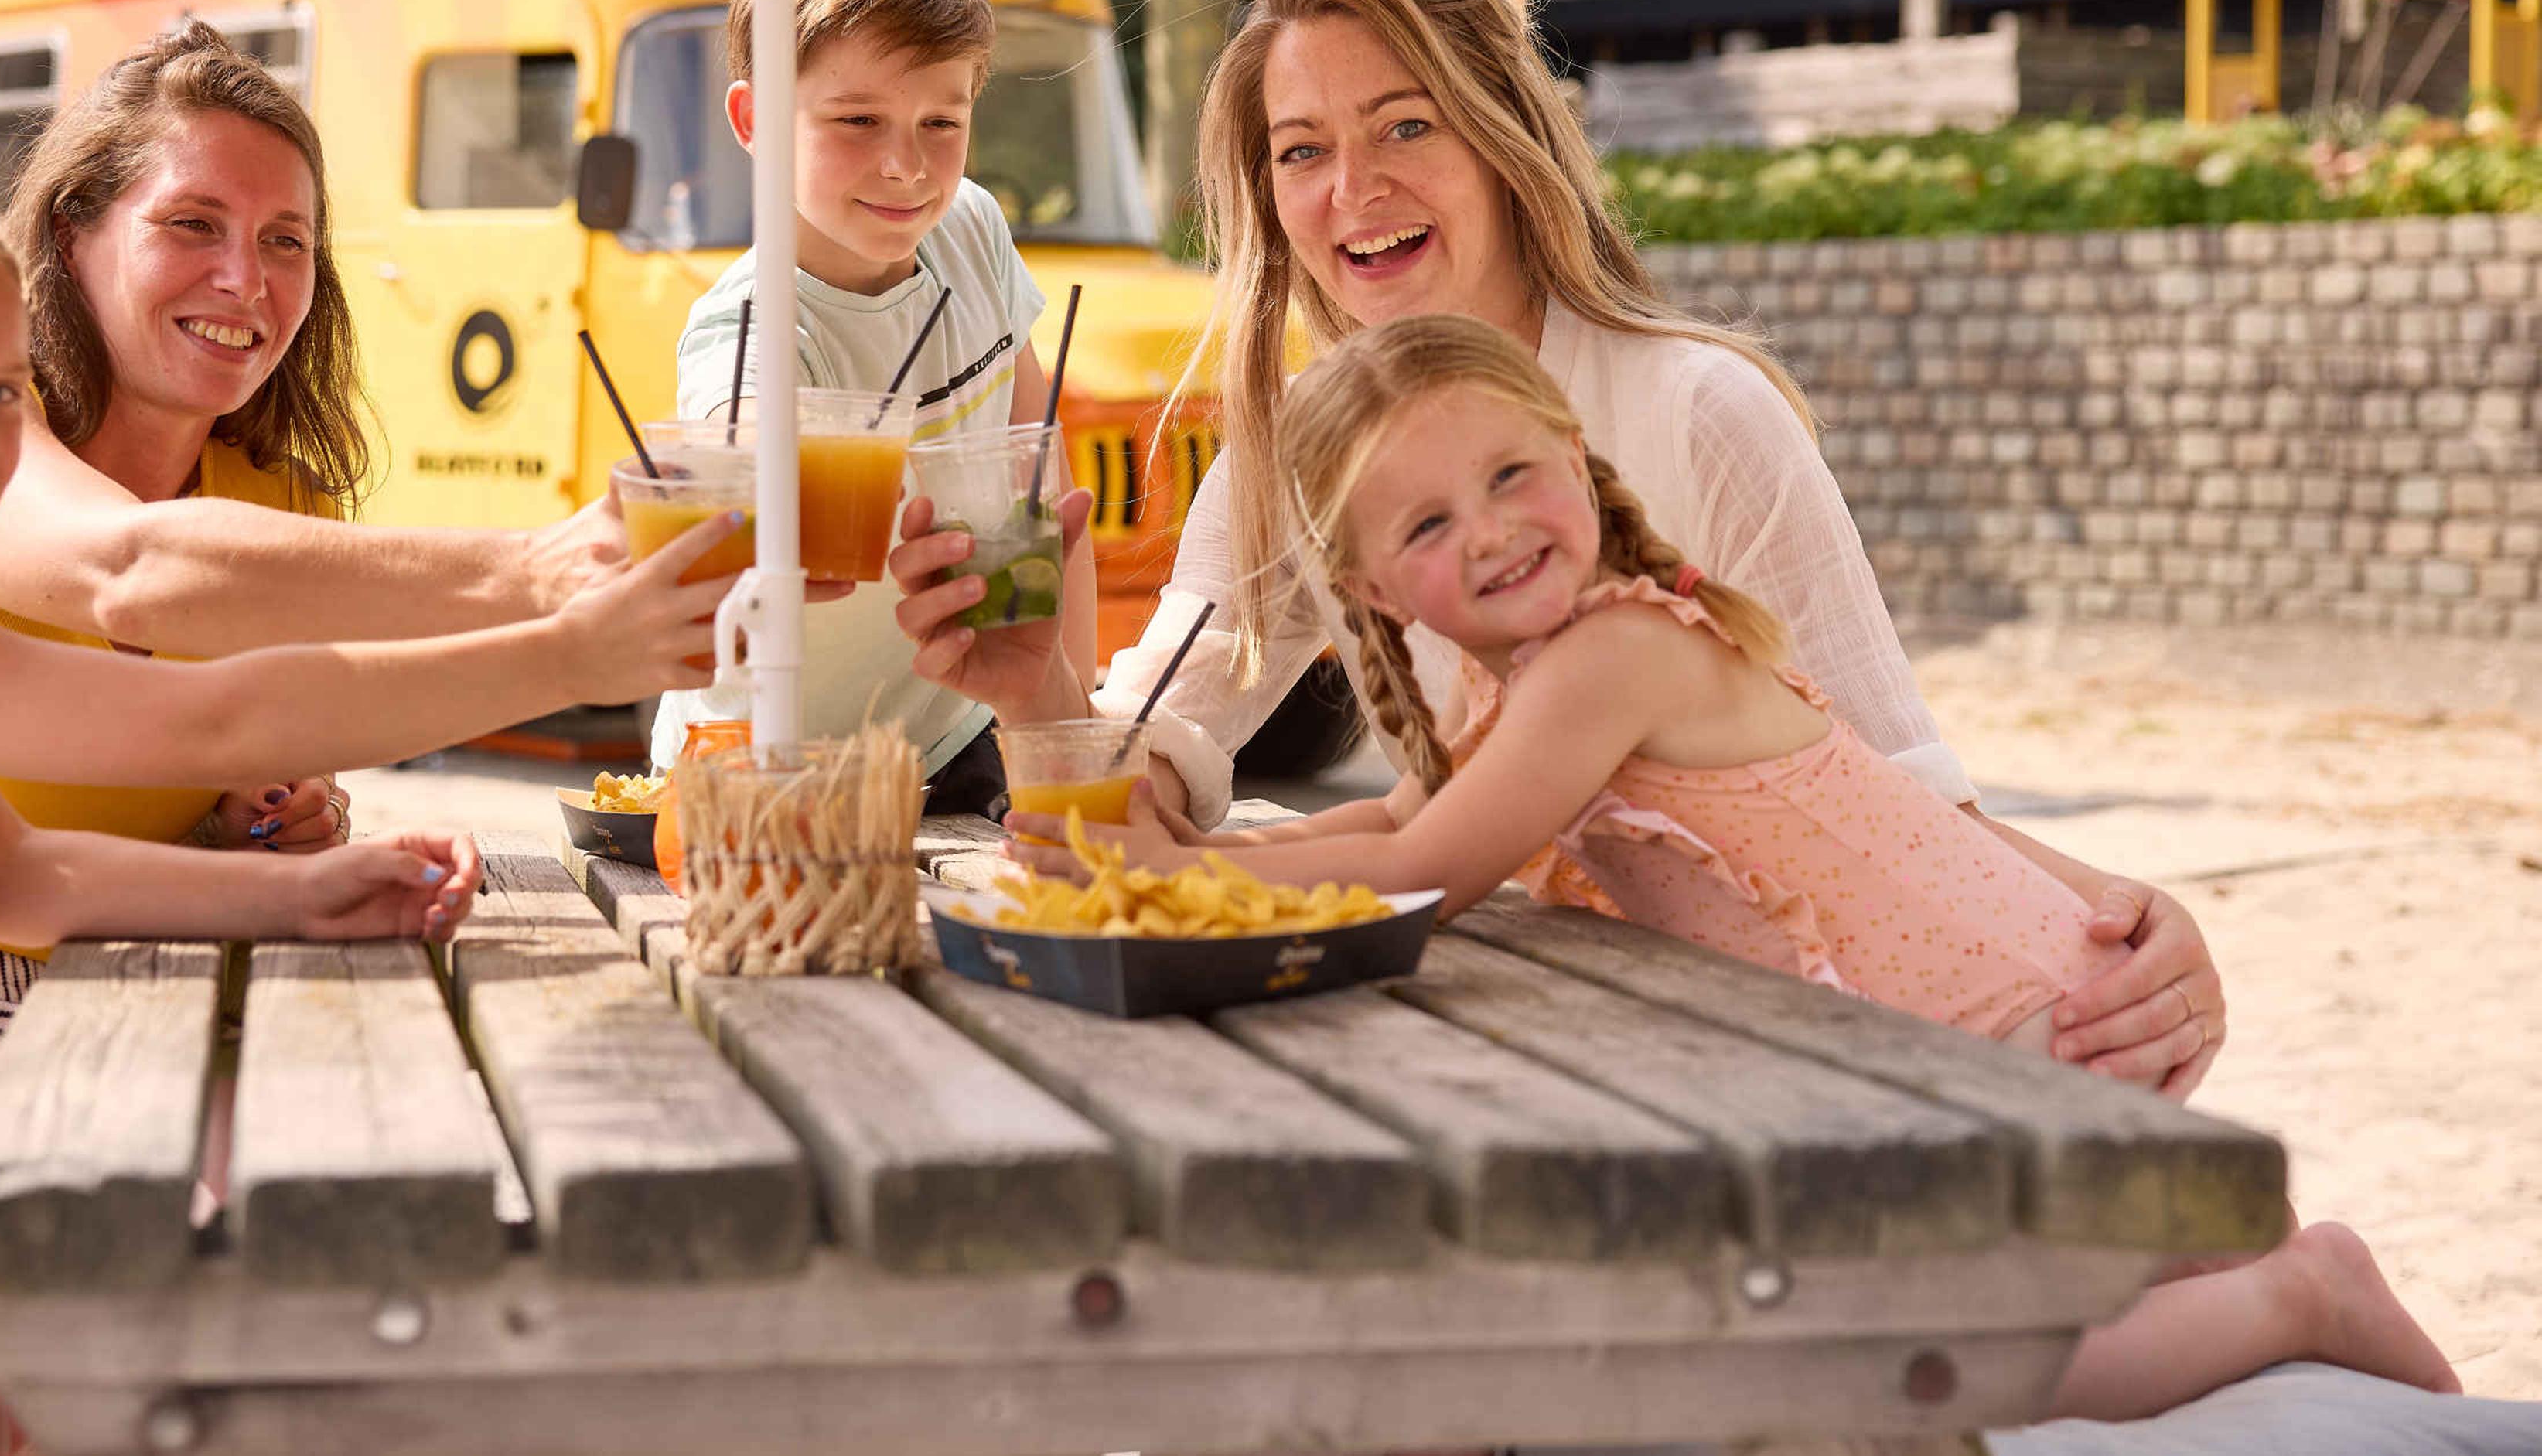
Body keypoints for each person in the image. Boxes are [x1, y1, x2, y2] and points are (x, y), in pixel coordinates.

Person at [1011, 311, 2456, 1424]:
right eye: (1431, 524)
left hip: (2010, 1030)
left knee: (1918, 1365)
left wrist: (1172, 888)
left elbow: (1431, 873)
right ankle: (2361, 1347)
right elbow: (1392, 824)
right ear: (1379, 589)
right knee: (2137, 1270)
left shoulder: (1614, 654)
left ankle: (2310, 1298)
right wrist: (1196, 849)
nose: (1496, 528)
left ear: (1575, 462)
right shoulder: (1520, 686)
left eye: (1513, 473)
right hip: (1961, 1027)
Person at [890, 0, 2227, 1096]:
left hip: (1825, 1050)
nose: (1355, 191)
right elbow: (1173, 729)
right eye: (1304, 151)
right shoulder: (1300, 456)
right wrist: (1033, 699)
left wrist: (2125, 911)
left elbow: (1889, 795)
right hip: (1586, 1044)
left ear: (1504, 132)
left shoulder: (1703, 410)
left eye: (1407, 124)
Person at [0, 179, 735, 1451]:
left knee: (48, 1352)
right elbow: (214, 723)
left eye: (2, 391)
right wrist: (567, 654)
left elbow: (9, 880)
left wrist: (294, 892)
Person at [0, 23, 627, 1238]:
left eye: (286, 241)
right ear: (72, 236)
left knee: (373, 1219)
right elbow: (129, 570)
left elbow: (251, 753)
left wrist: (279, 820)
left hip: (127, 991)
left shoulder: (282, 495)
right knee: (194, 1267)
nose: (247, 278)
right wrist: (549, 576)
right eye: (193, 224)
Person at [655, 0, 1095, 813]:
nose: (906, 166)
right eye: (857, 120)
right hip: (772, 767)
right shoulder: (749, 334)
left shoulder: (970, 228)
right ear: (754, 120)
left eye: (942, 120)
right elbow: (719, 506)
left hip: (956, 731)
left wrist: (1068, 719)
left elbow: (1038, 484)